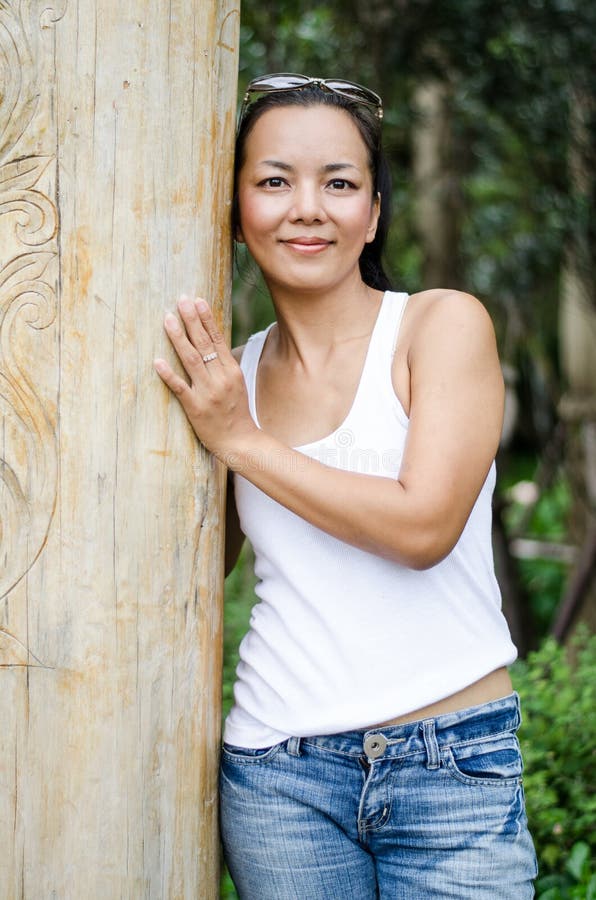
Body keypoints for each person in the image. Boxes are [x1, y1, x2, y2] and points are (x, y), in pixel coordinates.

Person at [154, 73, 538, 899]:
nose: (307, 207)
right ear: (234, 213)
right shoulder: (231, 377)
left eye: (339, 183)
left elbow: (421, 529)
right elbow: (191, 565)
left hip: (451, 765)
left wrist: (239, 441)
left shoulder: (439, 326)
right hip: (279, 776)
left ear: (371, 213)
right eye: (272, 181)